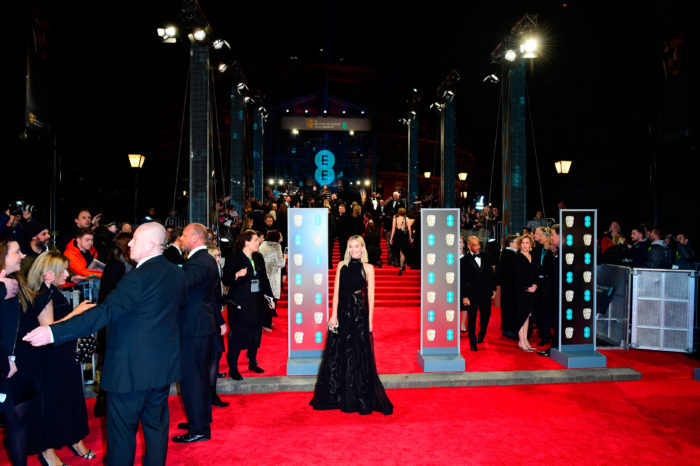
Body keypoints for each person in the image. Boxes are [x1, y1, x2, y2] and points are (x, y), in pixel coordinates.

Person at [23, 222, 186, 466]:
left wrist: (54, 332)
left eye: (135, 239)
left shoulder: (137, 279)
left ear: (150, 244)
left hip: (129, 375)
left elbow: (103, 313)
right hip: (162, 370)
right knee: (156, 432)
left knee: (121, 439)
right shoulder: (176, 273)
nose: (129, 243)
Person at [26, 252, 96, 465]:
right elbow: (49, 329)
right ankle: (48, 452)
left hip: (64, 354)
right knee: (54, 402)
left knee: (71, 398)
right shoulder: (41, 294)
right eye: (64, 270)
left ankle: (75, 439)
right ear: (50, 272)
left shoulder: (49, 290)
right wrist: (77, 312)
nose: (67, 273)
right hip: (50, 359)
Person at [310, 235, 393, 415]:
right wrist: (333, 315)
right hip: (342, 312)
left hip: (358, 314)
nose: (354, 249)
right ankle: (340, 394)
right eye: (350, 247)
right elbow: (336, 292)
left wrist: (369, 320)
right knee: (340, 352)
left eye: (357, 246)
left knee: (357, 353)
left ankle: (358, 395)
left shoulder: (369, 268)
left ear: (363, 248)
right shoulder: (341, 265)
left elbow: (370, 296)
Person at [0, 238, 50, 465]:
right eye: (17, 252)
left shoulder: (15, 282)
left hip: (16, 365)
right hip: (5, 364)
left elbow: (28, 317)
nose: (22, 256)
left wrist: (47, 287)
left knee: (18, 418)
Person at [172, 223, 221, 444]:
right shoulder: (207, 259)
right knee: (199, 378)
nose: (180, 238)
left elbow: (180, 287)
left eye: (182, 235)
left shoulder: (197, 263)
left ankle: (198, 428)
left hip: (194, 328)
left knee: (192, 380)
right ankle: (199, 420)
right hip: (203, 325)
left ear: (194, 237)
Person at [222, 229, 274, 381]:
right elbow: (226, 279)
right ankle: (233, 367)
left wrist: (269, 297)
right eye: (255, 240)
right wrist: (237, 275)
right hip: (239, 303)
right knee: (237, 335)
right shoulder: (235, 257)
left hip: (256, 302)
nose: (258, 243)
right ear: (246, 242)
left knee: (255, 334)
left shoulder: (258, 257)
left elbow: (264, 278)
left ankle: (252, 362)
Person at [460, 236, 496, 351]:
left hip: (485, 293)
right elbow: (462, 280)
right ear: (469, 246)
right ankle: (472, 341)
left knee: (486, 316)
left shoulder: (486, 256)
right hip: (471, 294)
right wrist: (464, 296)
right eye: (474, 245)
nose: (477, 247)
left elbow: (491, 274)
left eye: (478, 244)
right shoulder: (464, 260)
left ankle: (482, 333)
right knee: (472, 319)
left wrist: (493, 289)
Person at [513, 235, 538, 352]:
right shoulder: (517, 257)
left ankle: (525, 340)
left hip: (531, 291)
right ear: (520, 244)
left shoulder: (532, 257)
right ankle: (521, 341)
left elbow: (536, 274)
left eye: (527, 243)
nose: (525, 245)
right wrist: (528, 286)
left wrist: (535, 285)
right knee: (521, 316)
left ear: (530, 244)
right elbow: (517, 276)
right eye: (523, 243)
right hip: (521, 291)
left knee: (527, 316)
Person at [258, 230, 286, 322]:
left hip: (262, 273)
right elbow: (280, 263)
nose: (281, 238)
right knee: (272, 297)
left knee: (264, 298)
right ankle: (267, 322)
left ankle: (264, 321)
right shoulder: (276, 246)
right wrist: (285, 257)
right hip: (272, 275)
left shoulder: (263, 245)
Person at [498, 235, 519, 339]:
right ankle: (509, 331)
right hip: (510, 287)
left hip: (508, 287)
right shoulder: (509, 254)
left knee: (508, 308)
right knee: (510, 308)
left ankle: (508, 330)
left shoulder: (508, 253)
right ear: (511, 243)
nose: (519, 244)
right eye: (517, 242)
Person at [390, 207, 412, 275]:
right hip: (404, 236)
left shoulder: (395, 219)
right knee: (403, 251)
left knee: (400, 251)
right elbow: (409, 229)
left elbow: (393, 229)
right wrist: (410, 237)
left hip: (397, 235)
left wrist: (391, 238)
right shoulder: (407, 219)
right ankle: (401, 267)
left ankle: (402, 265)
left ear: (398, 212)